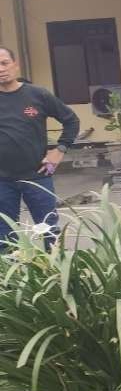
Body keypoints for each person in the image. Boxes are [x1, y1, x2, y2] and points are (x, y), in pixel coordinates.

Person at [0, 46, 79, 250]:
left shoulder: (37, 94)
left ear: (16, 65)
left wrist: (59, 150)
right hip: (2, 181)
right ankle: (11, 281)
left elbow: (71, 121)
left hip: (38, 176)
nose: (1, 69)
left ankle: (54, 277)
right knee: (5, 237)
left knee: (49, 232)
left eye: (4, 63)